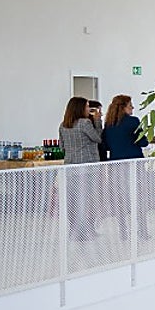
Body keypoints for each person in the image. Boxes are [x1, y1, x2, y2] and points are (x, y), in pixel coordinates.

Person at [99, 94, 150, 240]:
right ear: (123, 107)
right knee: (139, 197)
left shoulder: (109, 124)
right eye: (130, 105)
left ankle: (123, 232)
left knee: (120, 198)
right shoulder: (133, 122)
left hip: (116, 165)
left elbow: (105, 146)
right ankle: (142, 231)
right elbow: (143, 142)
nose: (132, 107)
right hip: (134, 164)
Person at [59, 96, 104, 240]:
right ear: (80, 108)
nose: (88, 109)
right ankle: (86, 231)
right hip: (87, 166)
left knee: (73, 200)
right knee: (86, 199)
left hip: (70, 166)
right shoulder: (85, 123)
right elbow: (97, 138)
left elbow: (62, 147)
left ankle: (74, 230)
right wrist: (98, 121)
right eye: (87, 107)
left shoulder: (63, 125)